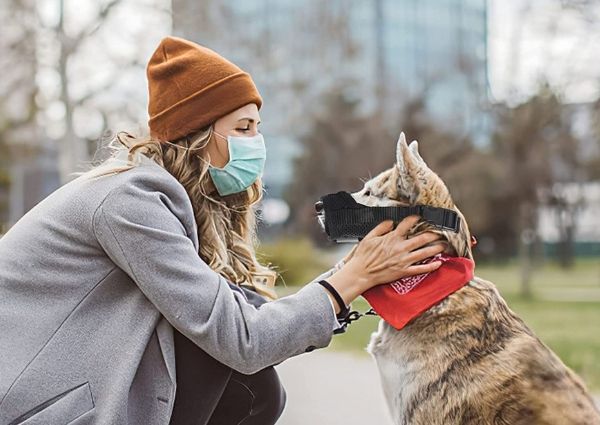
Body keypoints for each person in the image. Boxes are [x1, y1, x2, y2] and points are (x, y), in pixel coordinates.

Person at [0, 36, 444, 425]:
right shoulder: (128, 201)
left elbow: (240, 317)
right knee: (234, 375)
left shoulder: (160, 200)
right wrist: (352, 277)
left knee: (249, 386)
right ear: (195, 134)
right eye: (242, 128)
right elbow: (241, 339)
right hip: (32, 408)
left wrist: (356, 278)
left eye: (257, 127)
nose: (256, 143)